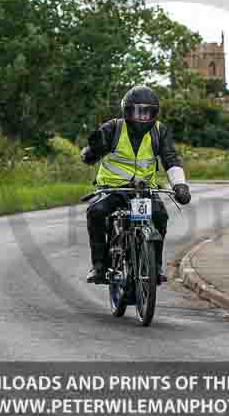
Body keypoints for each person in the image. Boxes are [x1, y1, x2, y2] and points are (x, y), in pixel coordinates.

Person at [80, 85, 191, 285]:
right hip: (112, 189)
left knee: (160, 216)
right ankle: (99, 266)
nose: (143, 117)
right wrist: (93, 150)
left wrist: (180, 185)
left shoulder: (159, 131)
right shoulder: (113, 128)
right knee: (95, 212)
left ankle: (155, 265)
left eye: (148, 112)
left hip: (144, 190)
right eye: (138, 111)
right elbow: (88, 158)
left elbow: (170, 159)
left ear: (154, 114)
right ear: (128, 111)